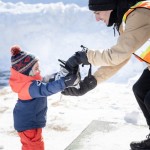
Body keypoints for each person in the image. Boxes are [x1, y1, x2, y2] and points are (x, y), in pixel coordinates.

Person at [61, 0, 150, 150]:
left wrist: (85, 56)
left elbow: (116, 55)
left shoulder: (139, 15)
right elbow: (121, 57)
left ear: (110, 7)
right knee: (140, 89)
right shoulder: (129, 17)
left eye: (97, 13)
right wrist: (91, 82)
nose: (96, 18)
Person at [9, 45, 79, 150]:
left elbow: (46, 81)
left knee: (33, 146)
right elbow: (46, 89)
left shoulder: (29, 83)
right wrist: (65, 82)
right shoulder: (29, 87)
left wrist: (60, 75)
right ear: (26, 72)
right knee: (34, 147)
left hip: (29, 122)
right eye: (36, 68)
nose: (39, 70)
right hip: (28, 124)